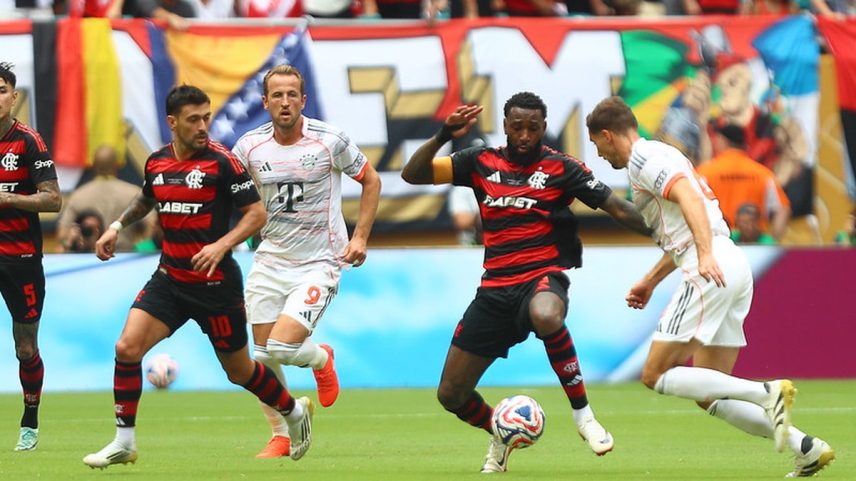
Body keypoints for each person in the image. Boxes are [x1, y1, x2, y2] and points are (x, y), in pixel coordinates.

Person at [401, 92, 652, 473]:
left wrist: (668, 233)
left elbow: (617, 207)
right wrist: (443, 135)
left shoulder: (561, 167)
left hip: (541, 277)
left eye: (532, 128)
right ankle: (501, 433)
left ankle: (584, 416)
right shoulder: (479, 162)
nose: (524, 135)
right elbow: (413, 174)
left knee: (547, 314)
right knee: (451, 394)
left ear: (543, 128)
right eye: (516, 127)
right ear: (505, 126)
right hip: (494, 290)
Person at [585, 96, 834, 478]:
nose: (599, 155)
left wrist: (703, 256)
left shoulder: (642, 158)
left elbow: (687, 197)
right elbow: (684, 226)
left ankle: (764, 393)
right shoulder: (662, 154)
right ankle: (806, 448)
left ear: (606, 134)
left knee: (655, 375)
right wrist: (651, 280)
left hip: (710, 265)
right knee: (708, 395)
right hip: (730, 262)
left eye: (597, 145)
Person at [82, 85, 315, 469]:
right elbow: (147, 197)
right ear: (172, 123)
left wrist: (221, 245)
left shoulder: (222, 162)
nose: (203, 126)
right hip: (170, 280)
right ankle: (124, 442)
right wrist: (116, 225)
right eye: (194, 120)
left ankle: (292, 412)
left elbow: (256, 214)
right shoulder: (157, 162)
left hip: (216, 286)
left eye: (206, 117)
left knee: (240, 371)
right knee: (126, 348)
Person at [231, 64, 381, 459]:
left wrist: (361, 236)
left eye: (291, 94)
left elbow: (371, 179)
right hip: (270, 259)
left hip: (320, 261)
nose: (284, 102)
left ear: (303, 99)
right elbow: (231, 194)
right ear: (265, 102)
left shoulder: (329, 140)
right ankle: (282, 433)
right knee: (259, 357)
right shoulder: (248, 147)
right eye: (276, 95)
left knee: (280, 346)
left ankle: (320, 357)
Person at [0, 62, 62, 452]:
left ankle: (30, 422)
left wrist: (8, 198)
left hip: (19, 258)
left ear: (13, 97)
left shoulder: (28, 142)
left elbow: (54, 199)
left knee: (25, 347)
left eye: (1, 89)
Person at [696, 123, 791, 241]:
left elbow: (692, 204)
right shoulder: (763, 174)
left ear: (722, 141)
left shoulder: (706, 172)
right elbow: (783, 209)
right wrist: (773, 241)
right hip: (754, 245)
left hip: (719, 243)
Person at [56, 144, 156, 253]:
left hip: (90, 257)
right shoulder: (133, 193)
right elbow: (152, 223)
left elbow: (62, 235)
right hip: (126, 257)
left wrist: (71, 243)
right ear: (117, 165)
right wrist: (143, 248)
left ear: (93, 165)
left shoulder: (79, 196)